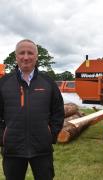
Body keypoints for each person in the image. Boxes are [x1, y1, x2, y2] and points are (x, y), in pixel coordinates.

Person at [0, 39, 64, 180]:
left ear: (36, 56)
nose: (26, 57)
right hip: (13, 150)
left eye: (30, 53)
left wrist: (50, 134)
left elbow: (58, 112)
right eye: (22, 53)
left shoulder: (48, 82)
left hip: (42, 149)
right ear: (16, 56)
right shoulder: (3, 83)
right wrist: (3, 137)